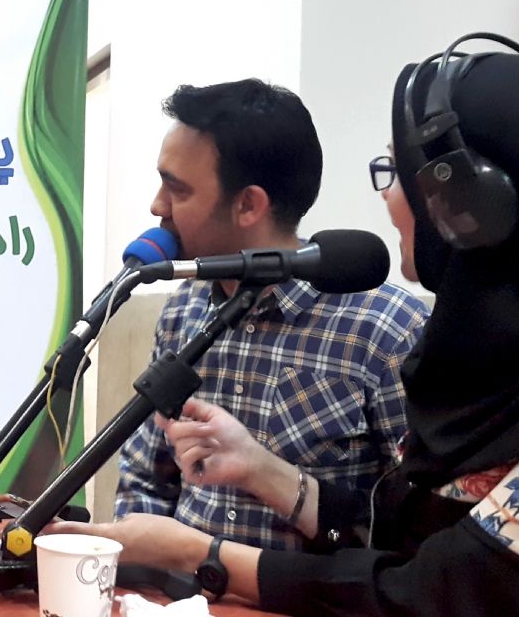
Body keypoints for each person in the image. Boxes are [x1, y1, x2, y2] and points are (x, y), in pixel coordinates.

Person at [56, 46, 519, 614]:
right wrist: (257, 471)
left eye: (397, 175)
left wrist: (202, 554)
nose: (387, 199)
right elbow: (401, 534)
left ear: (478, 208)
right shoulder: (503, 375)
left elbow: (425, 594)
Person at [115, 78, 429, 552]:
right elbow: (145, 479)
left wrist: (269, 476)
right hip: (174, 589)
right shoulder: (183, 310)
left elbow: (412, 538)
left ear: (248, 205)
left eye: (176, 189)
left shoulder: (385, 329)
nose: (157, 206)